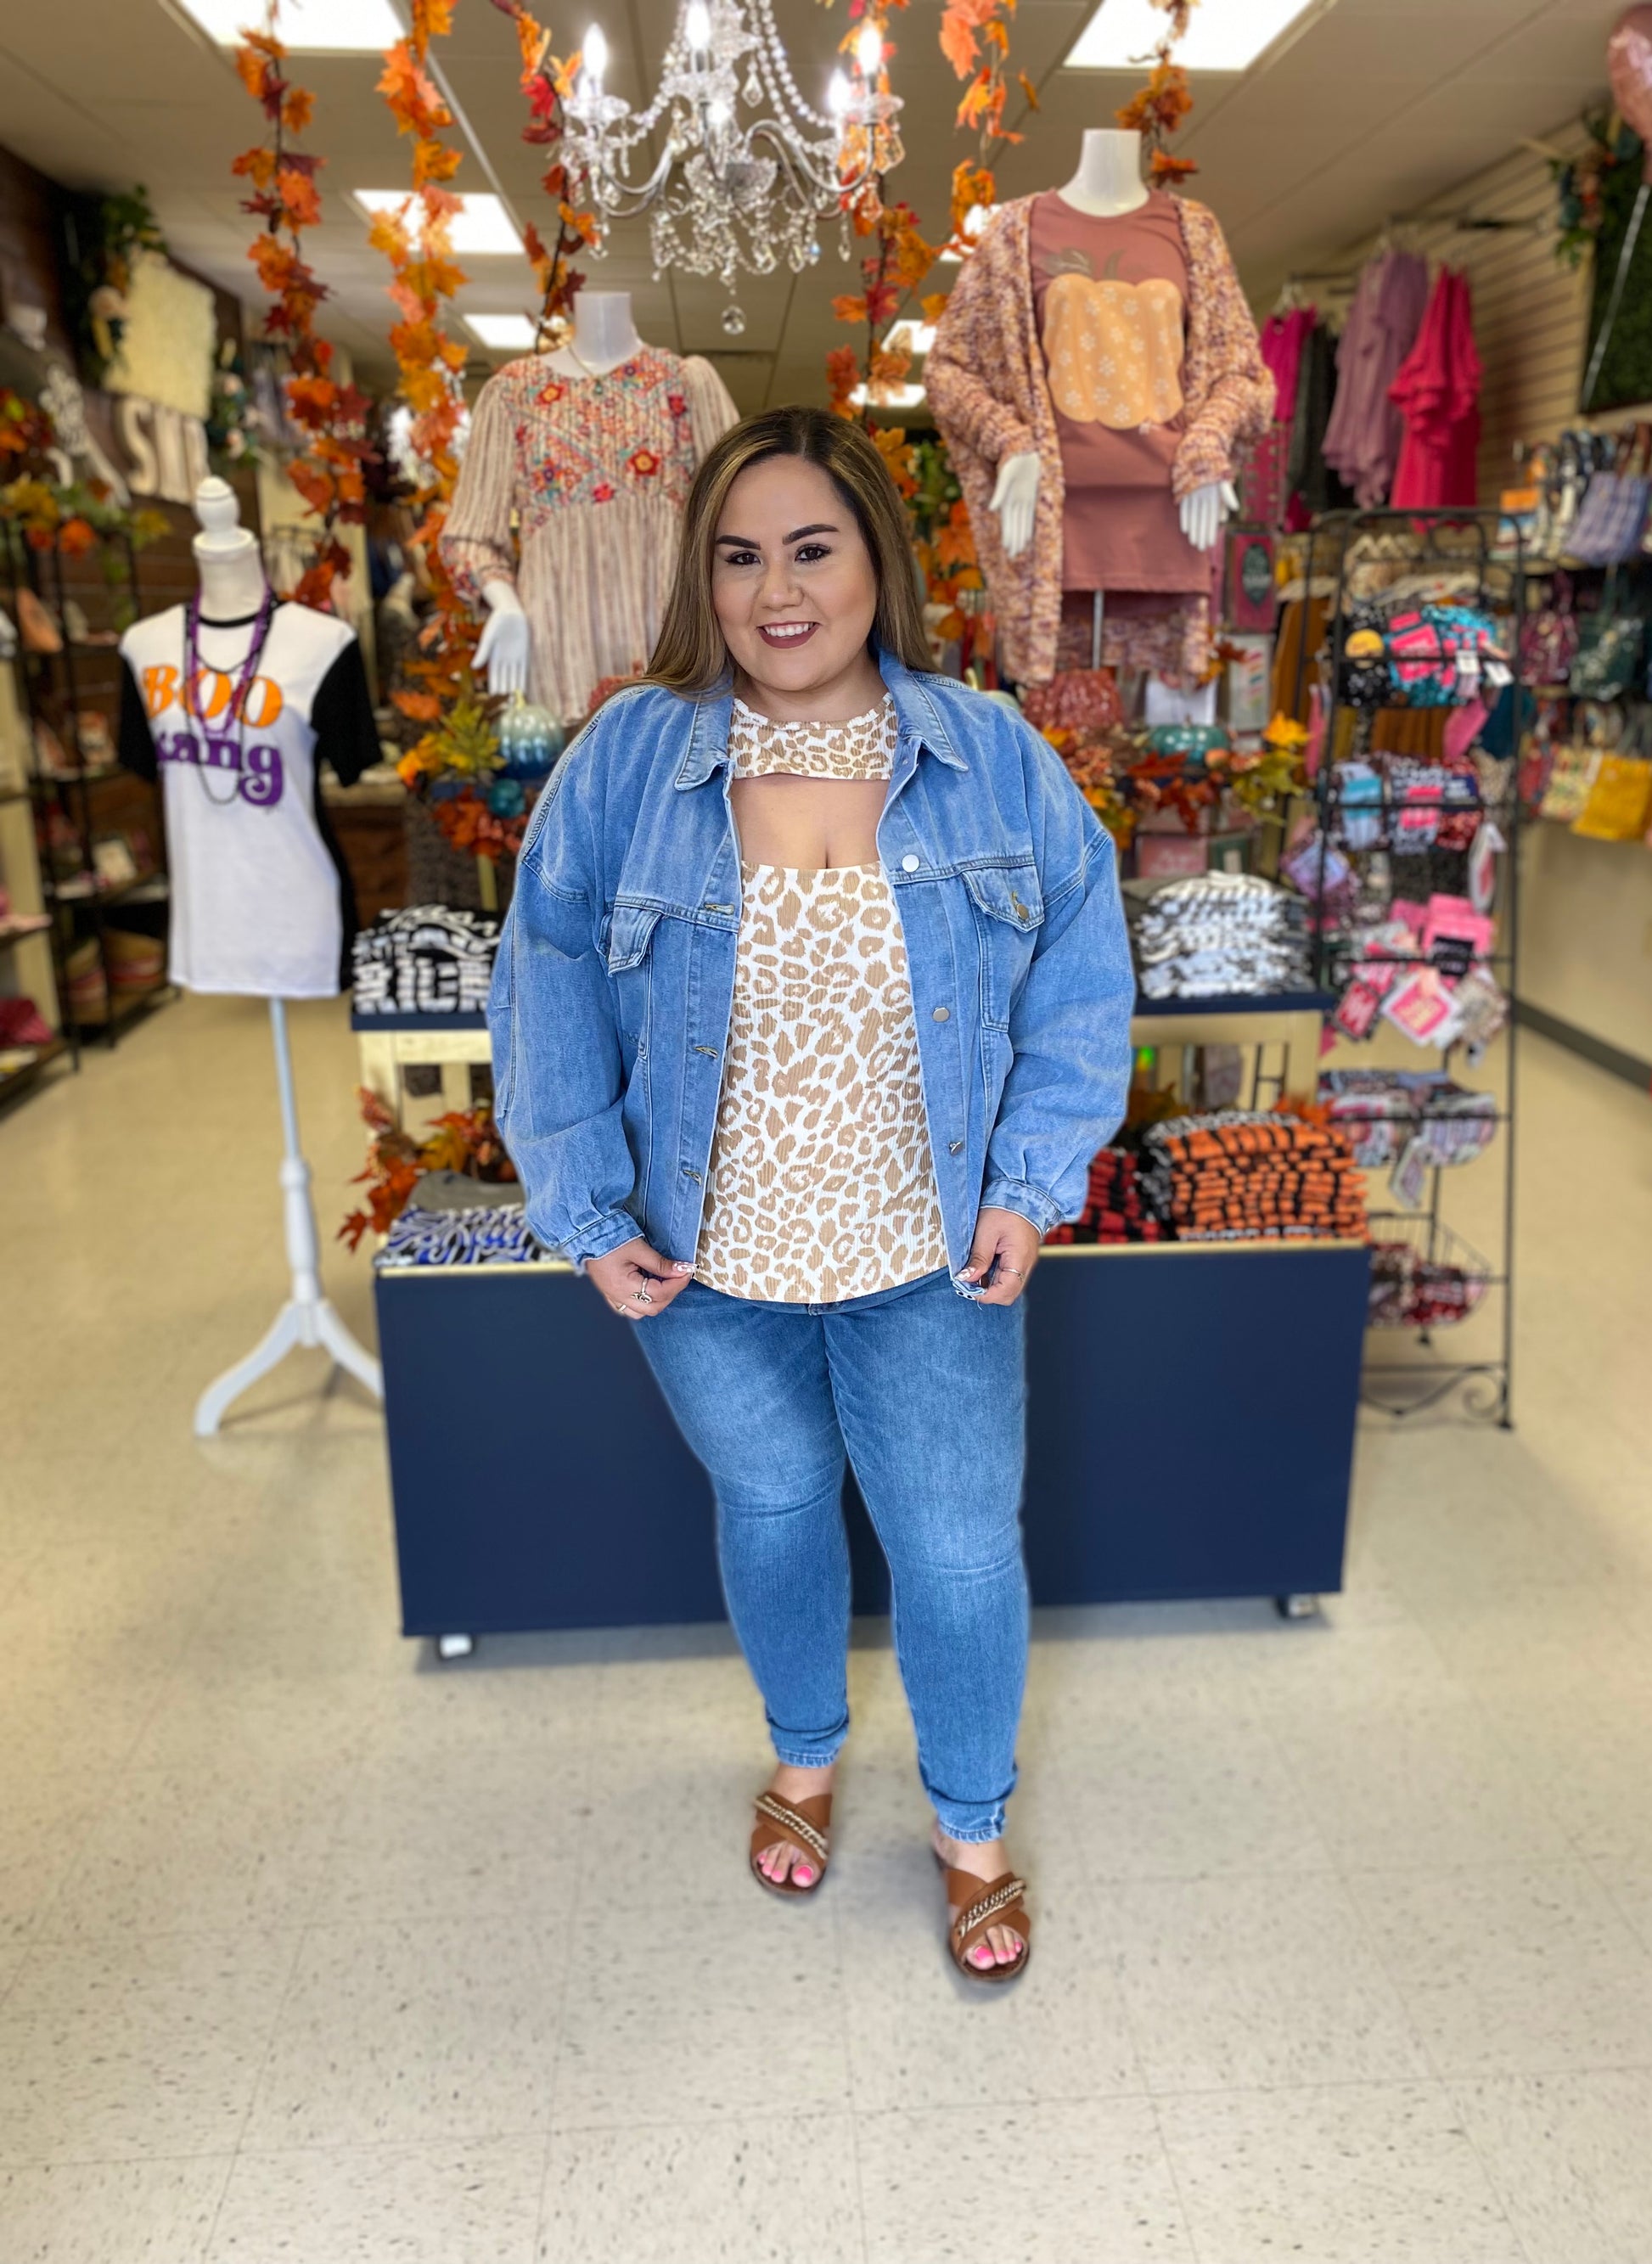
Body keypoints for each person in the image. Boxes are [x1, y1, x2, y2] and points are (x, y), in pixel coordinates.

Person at [491, 407, 1134, 1984]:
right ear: (704, 581)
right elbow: (546, 964)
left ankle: (970, 1825)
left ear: (873, 563)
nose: (777, 591)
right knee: (773, 1508)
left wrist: (1037, 1180)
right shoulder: (632, 753)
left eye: (811, 548)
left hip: (930, 1255)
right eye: (738, 556)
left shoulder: (987, 753)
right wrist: (581, 1203)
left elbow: (1080, 960)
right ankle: (802, 1749)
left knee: (958, 1547)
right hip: (703, 1263)